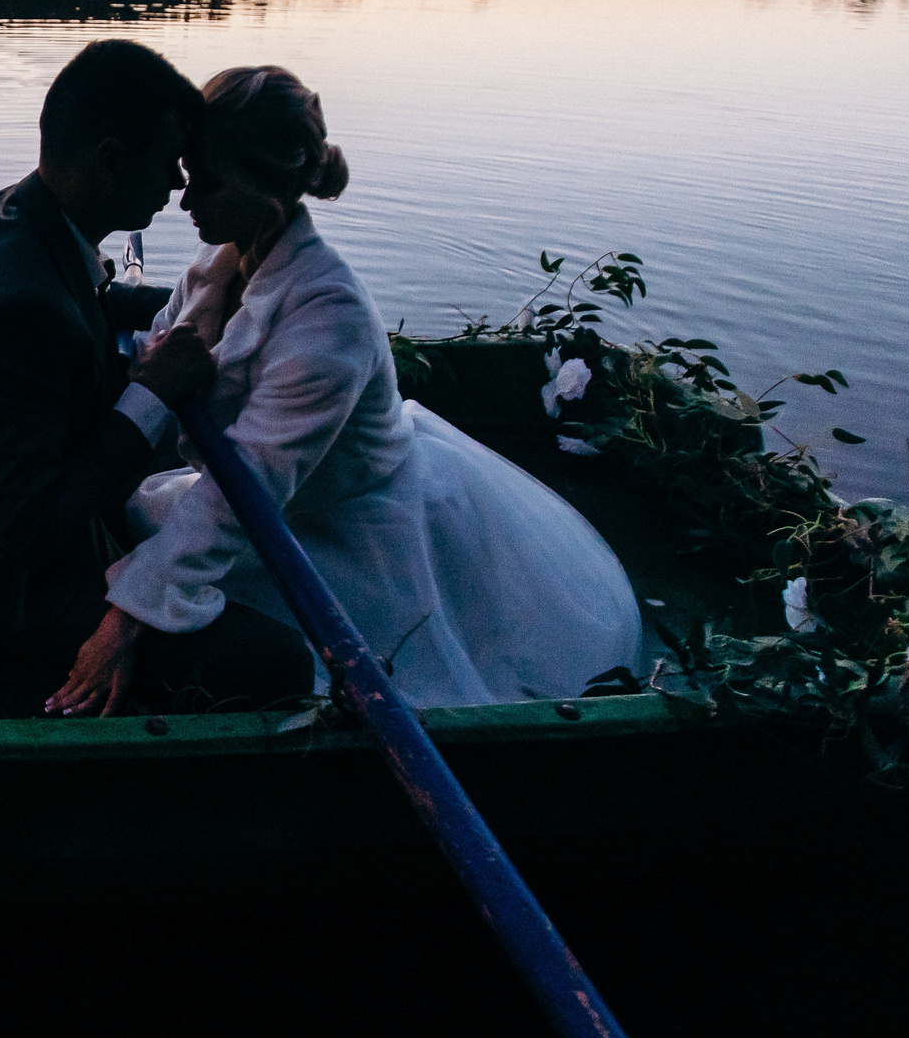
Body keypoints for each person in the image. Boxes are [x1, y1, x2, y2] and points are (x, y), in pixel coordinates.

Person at [46, 65, 648, 717]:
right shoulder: (218, 263)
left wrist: (123, 622)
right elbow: (160, 365)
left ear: (269, 183)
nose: (185, 201)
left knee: (355, 672)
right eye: (187, 174)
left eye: (208, 182)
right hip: (266, 500)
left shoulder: (328, 317)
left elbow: (244, 487)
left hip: (349, 532)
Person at [0, 40, 238, 717]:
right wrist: (153, 392)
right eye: (169, 161)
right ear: (111, 161)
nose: (179, 184)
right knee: (270, 659)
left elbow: (90, 300)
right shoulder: (12, 303)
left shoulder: (25, 216)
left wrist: (202, 300)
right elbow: (38, 530)